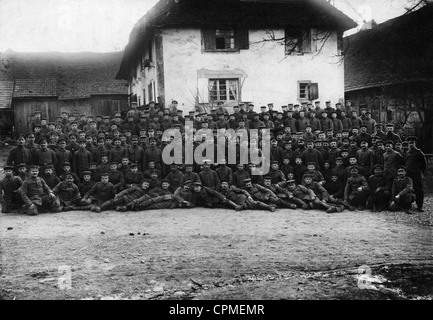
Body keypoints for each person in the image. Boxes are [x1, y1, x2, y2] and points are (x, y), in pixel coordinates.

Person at [405, 136, 427, 212]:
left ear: (415, 143)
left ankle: (420, 206)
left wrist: (420, 173)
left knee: (419, 191)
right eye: (409, 143)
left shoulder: (419, 152)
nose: (411, 144)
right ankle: (409, 206)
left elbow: (424, 165)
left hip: (416, 175)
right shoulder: (407, 153)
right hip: (408, 175)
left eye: (412, 143)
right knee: (409, 190)